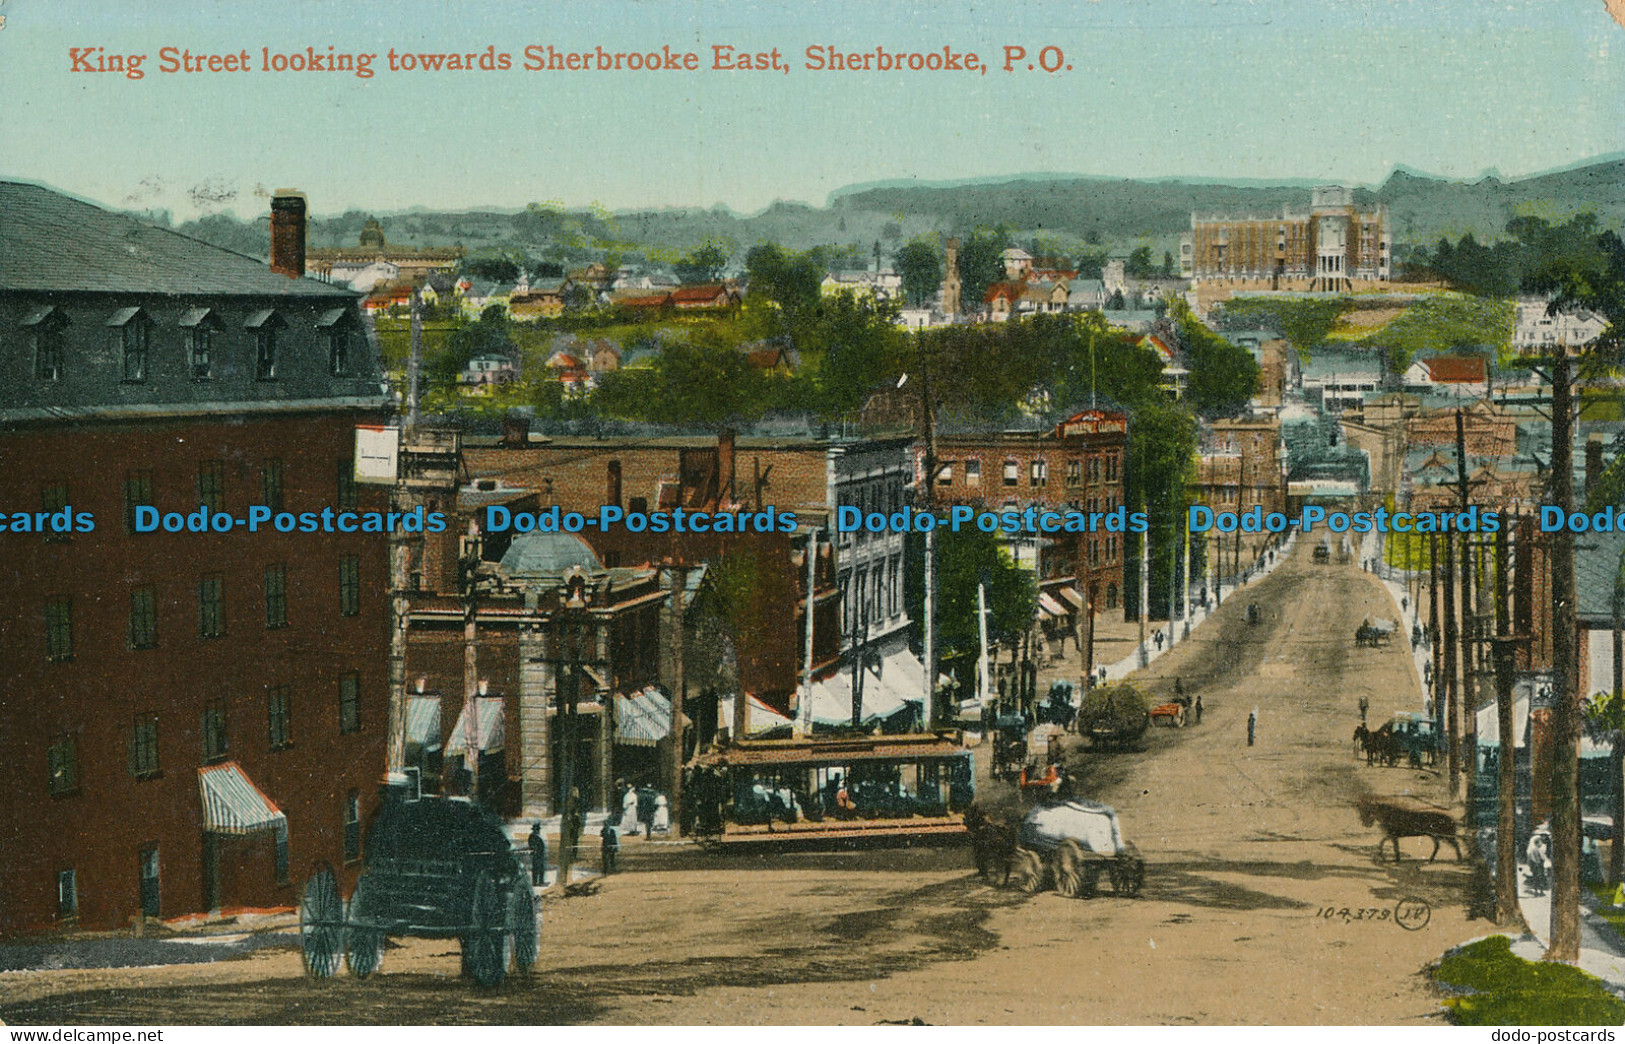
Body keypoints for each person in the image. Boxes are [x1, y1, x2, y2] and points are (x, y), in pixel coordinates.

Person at [528, 820, 547, 887]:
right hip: (536, 854)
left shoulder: (536, 836)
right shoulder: (532, 836)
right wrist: (535, 852)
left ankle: (540, 881)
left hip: (539, 854)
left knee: (541, 868)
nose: (538, 830)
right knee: (536, 868)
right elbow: (532, 846)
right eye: (537, 829)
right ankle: (535, 882)